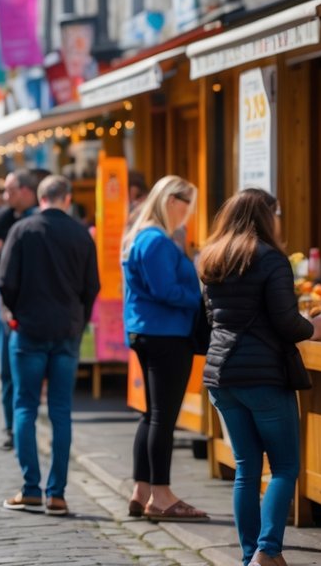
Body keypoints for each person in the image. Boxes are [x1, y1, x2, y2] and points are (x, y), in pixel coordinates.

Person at [198, 189, 321, 566]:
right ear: (266, 216)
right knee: (285, 466)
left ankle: (249, 555)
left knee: (246, 469)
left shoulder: (212, 258)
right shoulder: (272, 259)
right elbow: (287, 323)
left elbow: (212, 320)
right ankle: (267, 552)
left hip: (221, 376)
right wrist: (315, 327)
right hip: (263, 376)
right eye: (278, 213)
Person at [0, 175, 99, 515]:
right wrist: (78, 320)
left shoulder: (23, 231)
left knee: (25, 407)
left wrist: (17, 314)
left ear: (40, 197)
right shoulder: (81, 234)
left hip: (29, 330)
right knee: (61, 411)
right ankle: (57, 493)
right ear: (66, 198)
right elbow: (92, 286)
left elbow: (5, 283)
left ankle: (30, 488)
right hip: (67, 331)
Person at [122, 174, 207, 522]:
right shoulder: (156, 239)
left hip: (150, 331)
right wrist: (199, 295)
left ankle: (142, 490)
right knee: (162, 417)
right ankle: (162, 494)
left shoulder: (143, 235)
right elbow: (165, 291)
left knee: (152, 414)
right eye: (188, 204)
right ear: (173, 201)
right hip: (165, 334)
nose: (189, 213)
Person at [0, 169, 39, 451]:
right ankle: (11, 426)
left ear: (26, 191)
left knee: (29, 371)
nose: (6, 196)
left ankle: (25, 425)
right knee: (7, 369)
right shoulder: (0, 218)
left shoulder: (38, 218)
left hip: (32, 300)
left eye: (11, 190)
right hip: (4, 300)